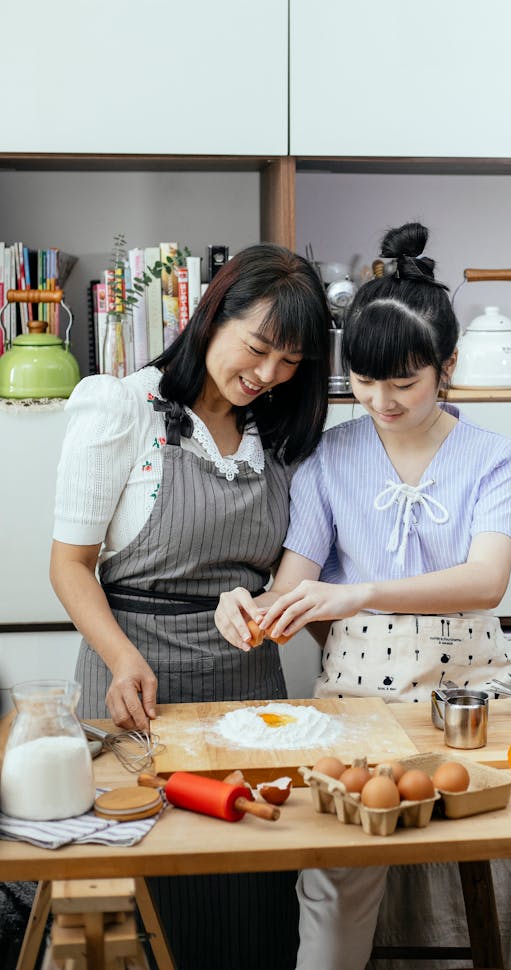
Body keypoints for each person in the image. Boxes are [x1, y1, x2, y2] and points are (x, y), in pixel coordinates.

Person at [215, 222, 511, 970]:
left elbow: (486, 579)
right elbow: (292, 593)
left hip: (476, 701)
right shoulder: (327, 458)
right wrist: (249, 608)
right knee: (336, 879)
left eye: (404, 382)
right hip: (354, 708)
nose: (381, 400)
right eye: (366, 381)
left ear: (446, 367)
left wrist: (359, 594)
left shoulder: (490, 455)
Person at [50, 243, 330, 970]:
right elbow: (70, 565)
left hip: (250, 696)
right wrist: (121, 658)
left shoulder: (281, 433)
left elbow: (286, 572)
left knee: (253, 895)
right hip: (134, 687)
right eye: (259, 347)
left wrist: (272, 609)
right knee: (142, 895)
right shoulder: (124, 408)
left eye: (289, 362)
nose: (267, 375)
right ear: (215, 313)